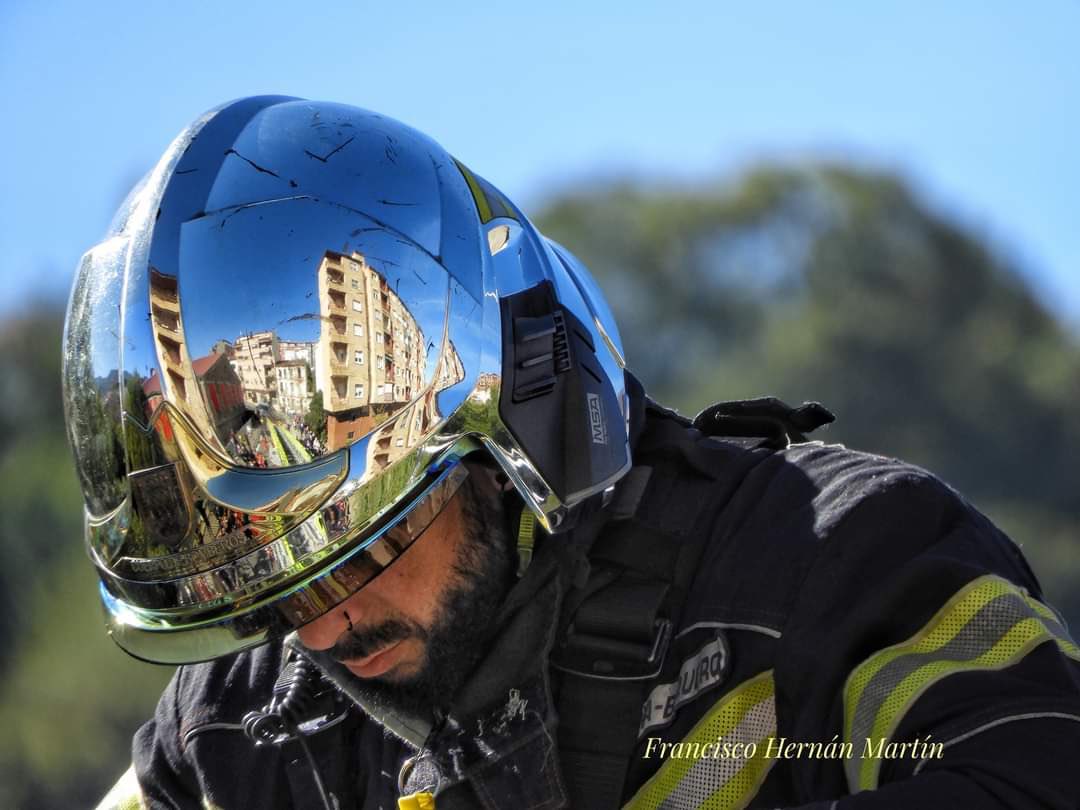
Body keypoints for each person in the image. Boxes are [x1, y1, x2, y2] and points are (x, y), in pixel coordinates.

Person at [64, 97, 1079, 810]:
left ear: (518, 439)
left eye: (367, 548)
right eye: (279, 593)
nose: (325, 628)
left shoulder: (832, 560)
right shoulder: (236, 734)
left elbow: (1036, 776)